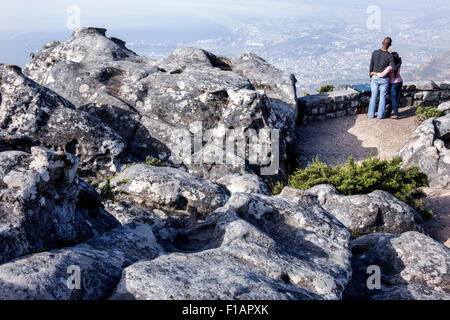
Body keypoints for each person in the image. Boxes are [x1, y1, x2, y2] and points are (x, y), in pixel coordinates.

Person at [368, 37, 398, 119]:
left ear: (382, 43)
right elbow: (394, 68)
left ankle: (371, 114)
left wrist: (370, 76)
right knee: (382, 97)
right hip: (384, 79)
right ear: (390, 45)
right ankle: (380, 115)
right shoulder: (389, 56)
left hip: (374, 77)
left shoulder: (375, 52)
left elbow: (371, 65)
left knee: (373, 95)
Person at [371, 52, 403, 119]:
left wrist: (373, 73)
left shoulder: (390, 67)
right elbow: (399, 59)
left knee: (393, 99)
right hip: (400, 82)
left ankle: (396, 115)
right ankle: (389, 113)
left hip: (393, 84)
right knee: (395, 99)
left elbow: (382, 74)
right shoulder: (399, 64)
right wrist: (392, 54)